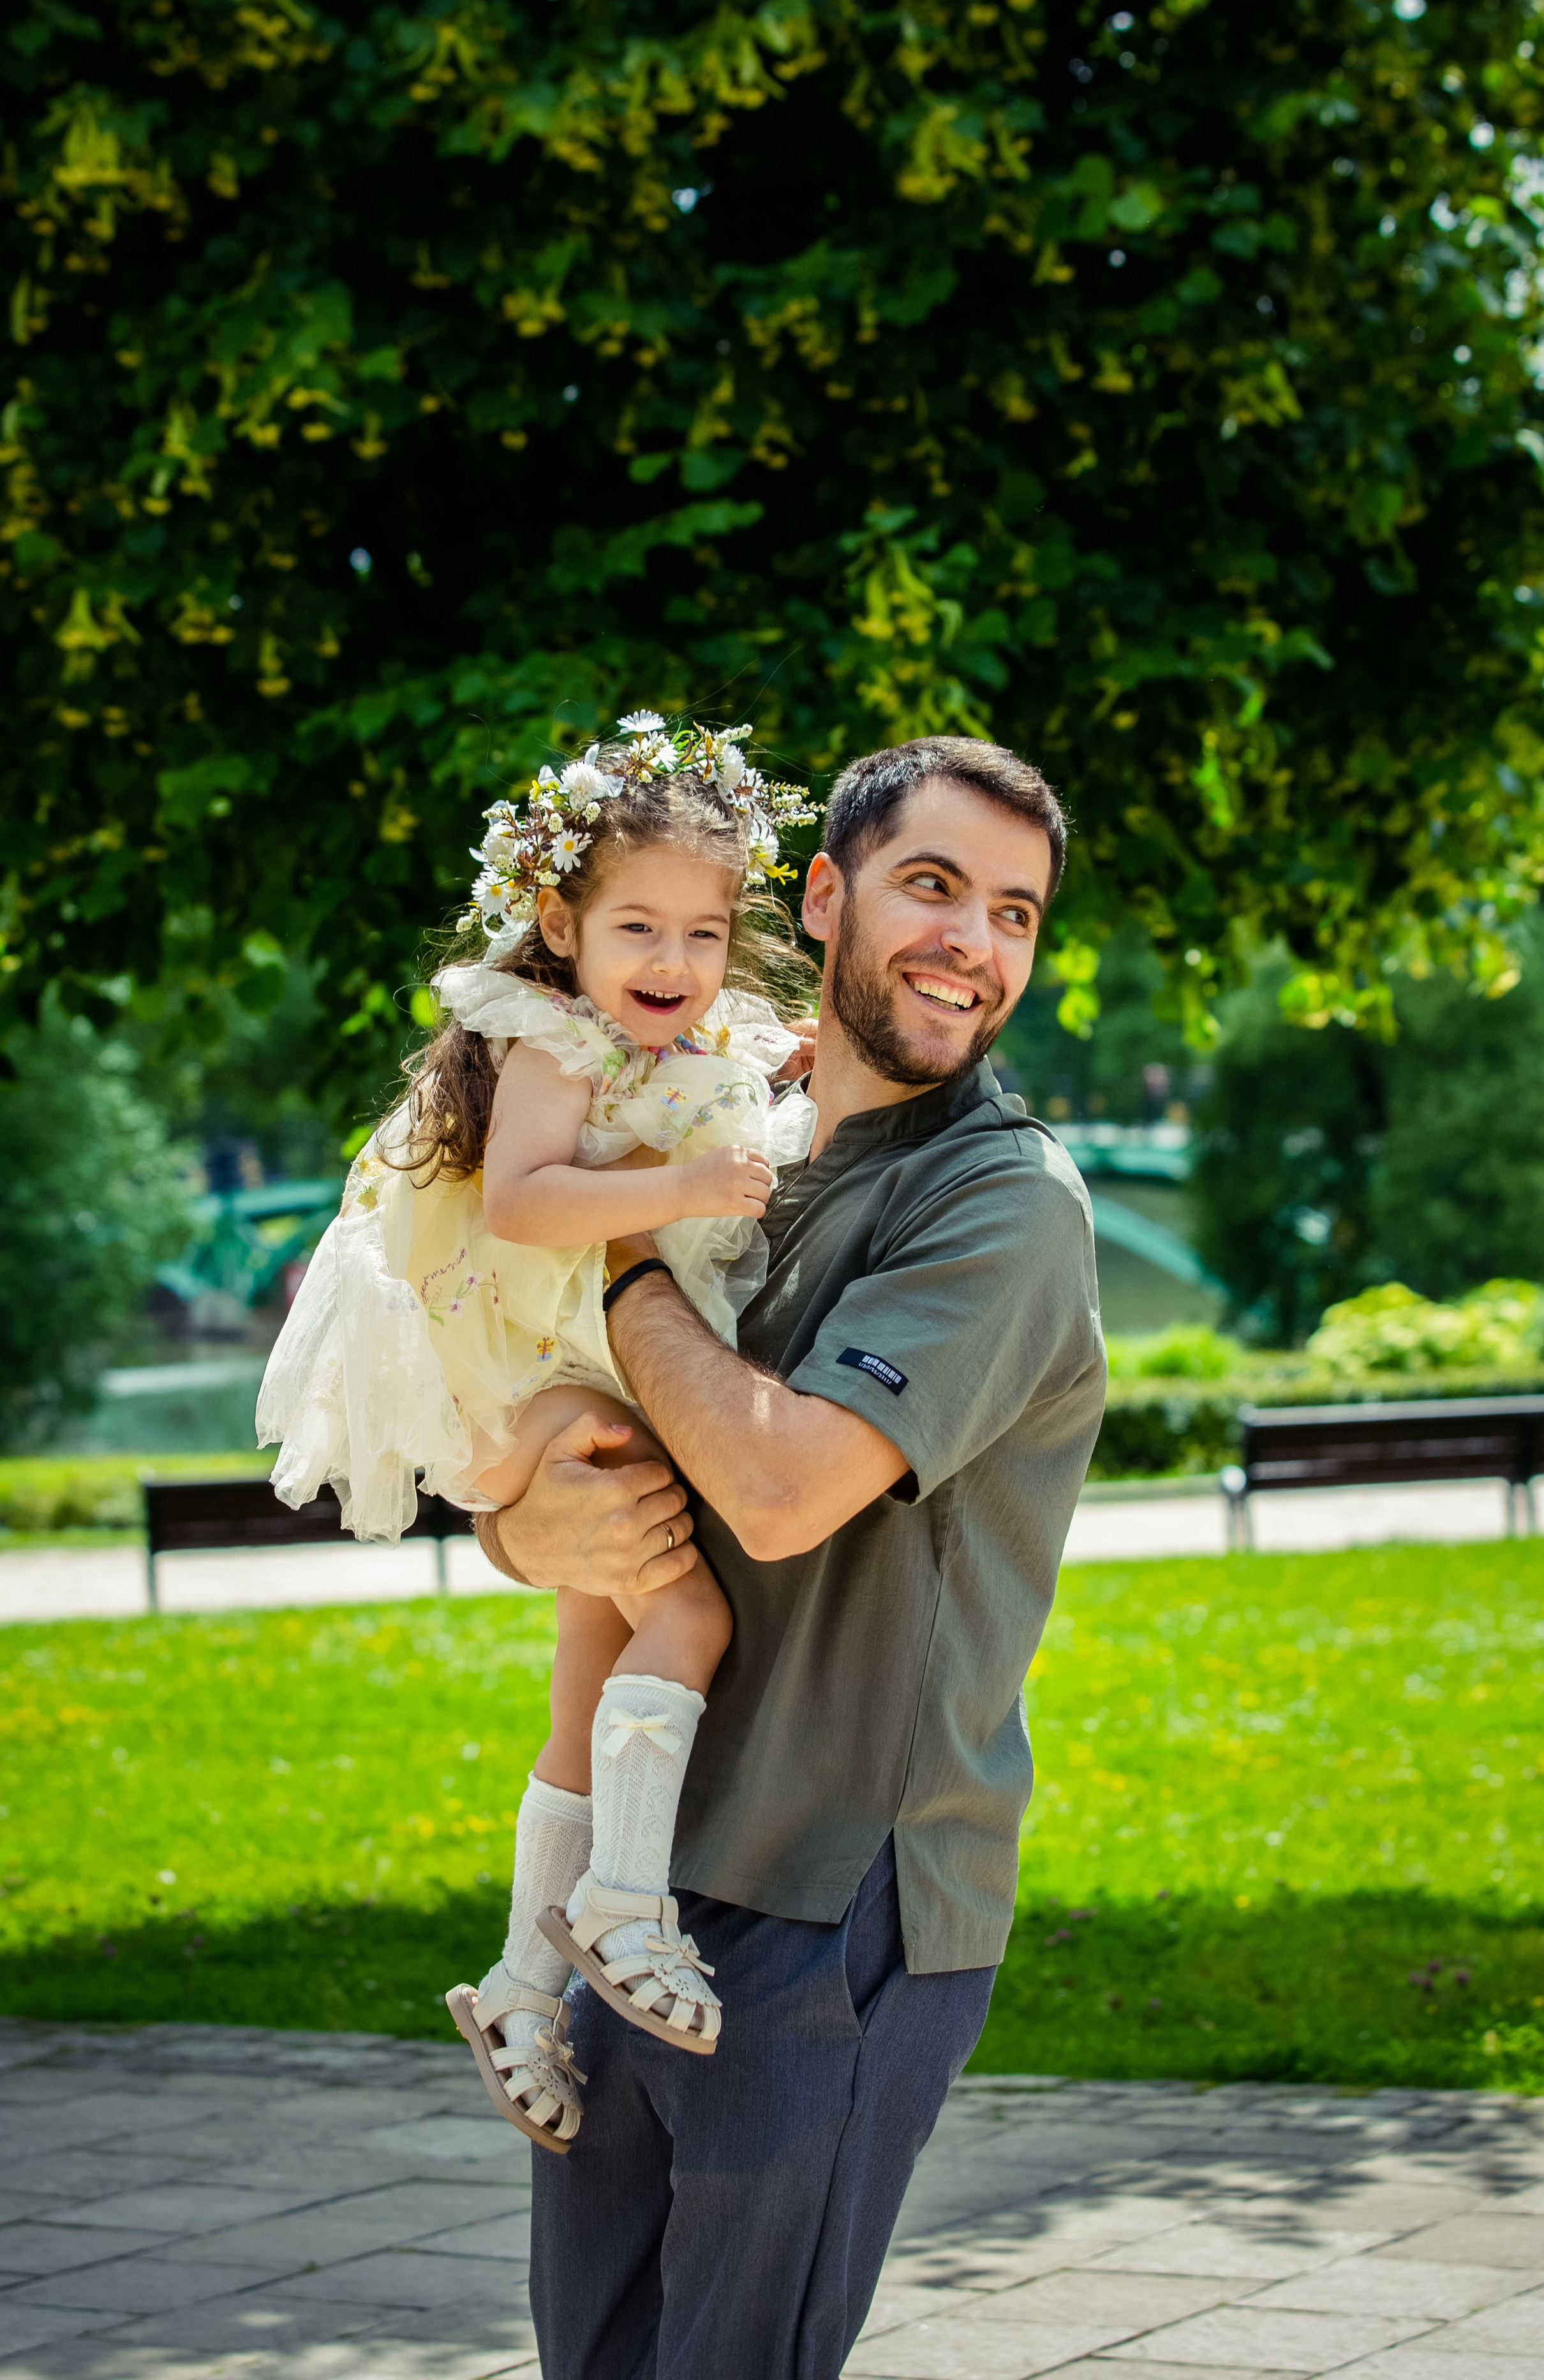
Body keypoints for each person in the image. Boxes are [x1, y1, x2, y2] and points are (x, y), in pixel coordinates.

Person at [472, 735, 1106, 2380]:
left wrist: (615, 1236)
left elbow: (768, 1491)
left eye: (1015, 913)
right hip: (638, 1888)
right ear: (824, 896)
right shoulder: (720, 1126)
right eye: (932, 886)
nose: (974, 941)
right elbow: (566, 1485)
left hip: (831, 1909)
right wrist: (521, 1525)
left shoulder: (1000, 1199)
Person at [256, 713, 822, 2146]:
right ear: (559, 923)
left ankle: (518, 1983)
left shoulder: (687, 1039)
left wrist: (776, 1071)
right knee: (686, 1618)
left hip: (586, 1369)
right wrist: (688, 1187)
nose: (672, 964)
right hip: (549, 1371)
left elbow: (721, 1083)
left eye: (703, 934)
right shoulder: (551, 1043)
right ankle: (625, 1913)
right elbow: (518, 1204)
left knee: (591, 1677)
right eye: (638, 926)